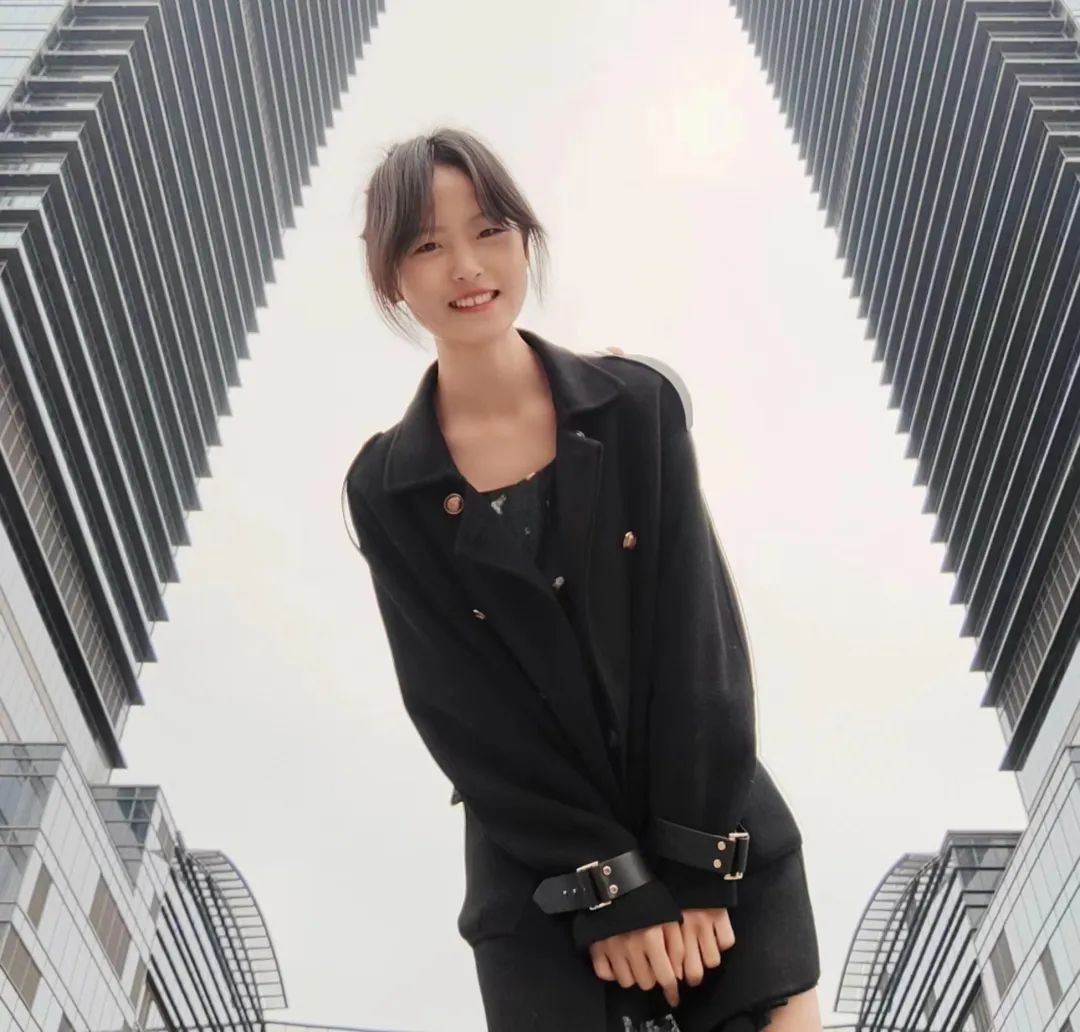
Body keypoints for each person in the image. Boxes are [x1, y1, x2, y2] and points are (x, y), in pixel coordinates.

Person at [342, 126, 823, 1031]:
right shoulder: (388, 489)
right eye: (428, 245)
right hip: (541, 875)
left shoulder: (635, 405)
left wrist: (693, 865)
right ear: (392, 277)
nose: (466, 267)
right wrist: (607, 885)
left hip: (713, 831)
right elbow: (459, 710)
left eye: (488, 231)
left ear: (524, 237)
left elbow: (700, 640)